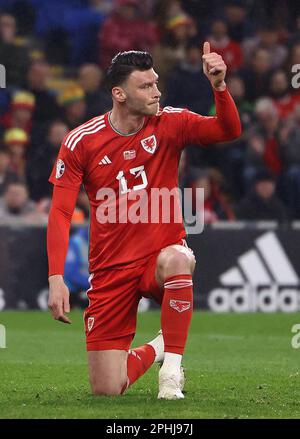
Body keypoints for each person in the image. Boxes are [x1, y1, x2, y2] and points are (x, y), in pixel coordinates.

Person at [47, 44, 241, 399]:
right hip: (110, 269)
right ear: (119, 94)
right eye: (146, 86)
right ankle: (159, 347)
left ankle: (171, 373)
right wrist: (57, 277)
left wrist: (219, 87)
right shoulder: (81, 142)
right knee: (107, 389)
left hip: (158, 260)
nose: (157, 92)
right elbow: (60, 212)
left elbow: (227, 131)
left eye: (156, 83)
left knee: (179, 258)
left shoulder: (171, 123)